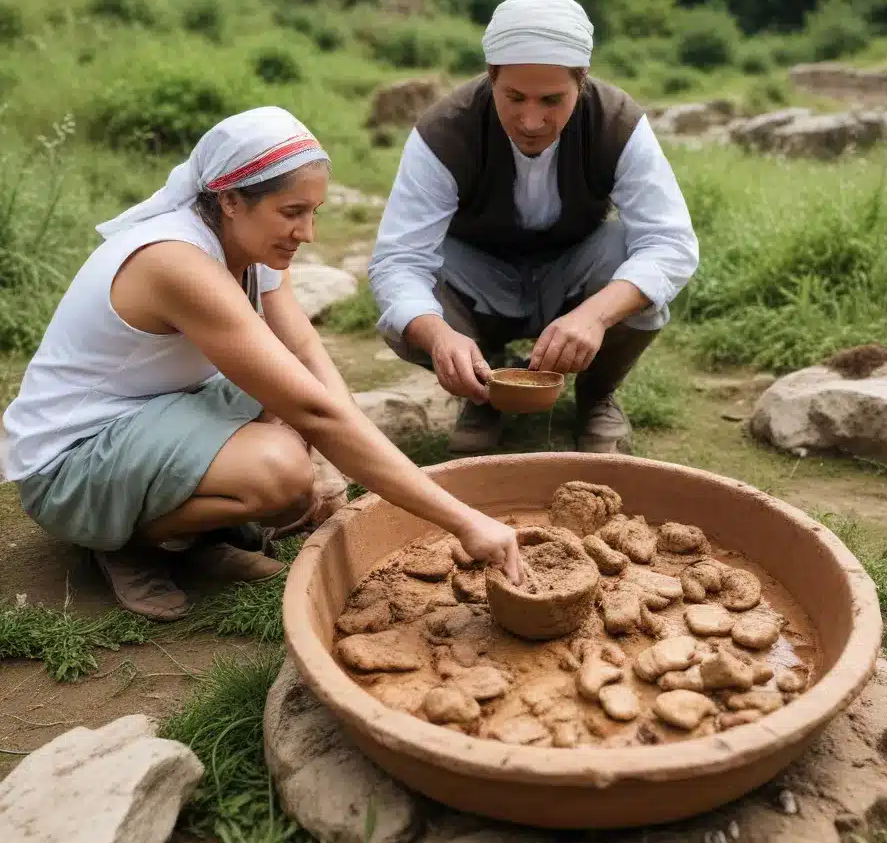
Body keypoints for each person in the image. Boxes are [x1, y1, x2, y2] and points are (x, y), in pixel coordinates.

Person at [2, 107, 522, 621]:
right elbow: (316, 412)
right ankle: (125, 540)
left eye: (314, 212)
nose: (308, 232)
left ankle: (194, 535)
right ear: (229, 200)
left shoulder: (252, 246)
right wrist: (463, 519)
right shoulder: (175, 263)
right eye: (292, 212)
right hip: (71, 461)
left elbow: (305, 356)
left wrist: (341, 461)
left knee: (297, 449)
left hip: (152, 413)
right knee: (280, 472)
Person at [368, 0, 699, 455]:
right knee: (406, 311)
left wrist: (594, 315)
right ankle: (483, 391)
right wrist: (439, 335)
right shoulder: (444, 130)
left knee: (635, 260)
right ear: (491, 77)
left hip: (575, 271)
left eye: (552, 100)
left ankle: (597, 396)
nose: (531, 120)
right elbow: (397, 260)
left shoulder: (617, 122)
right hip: (476, 276)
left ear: (581, 82)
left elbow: (672, 244)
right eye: (515, 97)